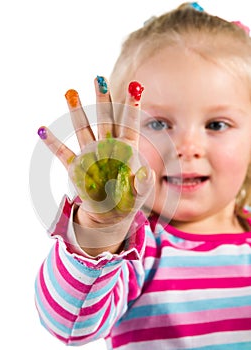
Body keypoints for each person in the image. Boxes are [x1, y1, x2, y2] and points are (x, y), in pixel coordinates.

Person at [34, 2, 251, 349]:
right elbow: (70, 325)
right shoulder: (137, 248)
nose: (187, 146)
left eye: (216, 124)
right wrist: (102, 228)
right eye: (158, 124)